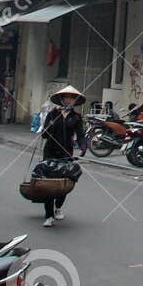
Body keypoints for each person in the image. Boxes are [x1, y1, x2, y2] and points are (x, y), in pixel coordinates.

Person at [39, 85, 88, 227]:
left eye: (71, 98)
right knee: (49, 184)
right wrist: (50, 126)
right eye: (66, 98)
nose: (68, 100)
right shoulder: (52, 114)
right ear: (61, 100)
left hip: (66, 153)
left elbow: (80, 135)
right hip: (50, 152)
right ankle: (48, 216)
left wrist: (83, 147)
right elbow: (44, 135)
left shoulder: (76, 117)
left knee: (64, 183)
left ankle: (58, 206)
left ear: (74, 101)